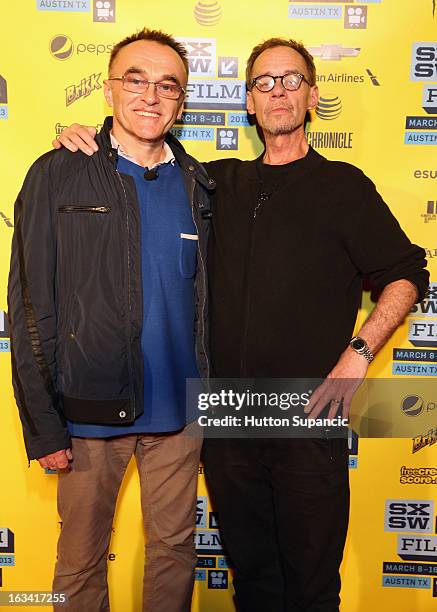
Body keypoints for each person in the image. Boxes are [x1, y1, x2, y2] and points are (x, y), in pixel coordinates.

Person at [53, 37, 428, 612]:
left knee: (310, 584)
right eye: (264, 82)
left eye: (291, 79)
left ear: (312, 95)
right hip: (226, 416)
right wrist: (85, 140)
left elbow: (406, 274)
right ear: (248, 102)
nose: (278, 91)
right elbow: (139, 150)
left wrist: (358, 353)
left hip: (307, 413)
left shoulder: (345, 187)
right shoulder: (214, 183)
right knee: (252, 580)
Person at [8, 28, 215, 612]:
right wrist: (44, 426)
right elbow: (29, 307)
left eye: (168, 85)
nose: (151, 96)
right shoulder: (57, 173)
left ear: (181, 101)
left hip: (180, 414)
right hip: (87, 415)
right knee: (79, 561)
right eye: (136, 80)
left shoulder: (202, 184)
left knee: (175, 549)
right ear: (108, 90)